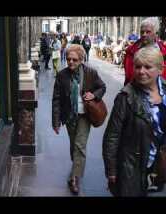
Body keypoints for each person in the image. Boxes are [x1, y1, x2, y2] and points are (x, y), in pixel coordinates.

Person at [103, 47, 166, 196]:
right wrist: (111, 170)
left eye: (147, 67)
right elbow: (112, 136)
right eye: (137, 67)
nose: (141, 71)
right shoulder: (125, 96)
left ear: (160, 69)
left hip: (159, 164)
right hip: (131, 166)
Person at [52, 44, 106, 195]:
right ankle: (76, 164)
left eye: (74, 60)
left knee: (80, 145)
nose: (70, 62)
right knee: (73, 144)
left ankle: (75, 178)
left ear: (81, 60)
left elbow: (102, 87)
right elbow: (56, 100)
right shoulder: (62, 75)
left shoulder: (91, 73)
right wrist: (55, 122)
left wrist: (94, 95)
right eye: (68, 59)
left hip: (85, 116)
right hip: (69, 116)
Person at [124, 17, 166, 86]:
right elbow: (128, 76)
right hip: (136, 91)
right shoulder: (131, 51)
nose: (144, 34)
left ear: (156, 34)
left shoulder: (163, 51)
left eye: (148, 32)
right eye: (142, 32)